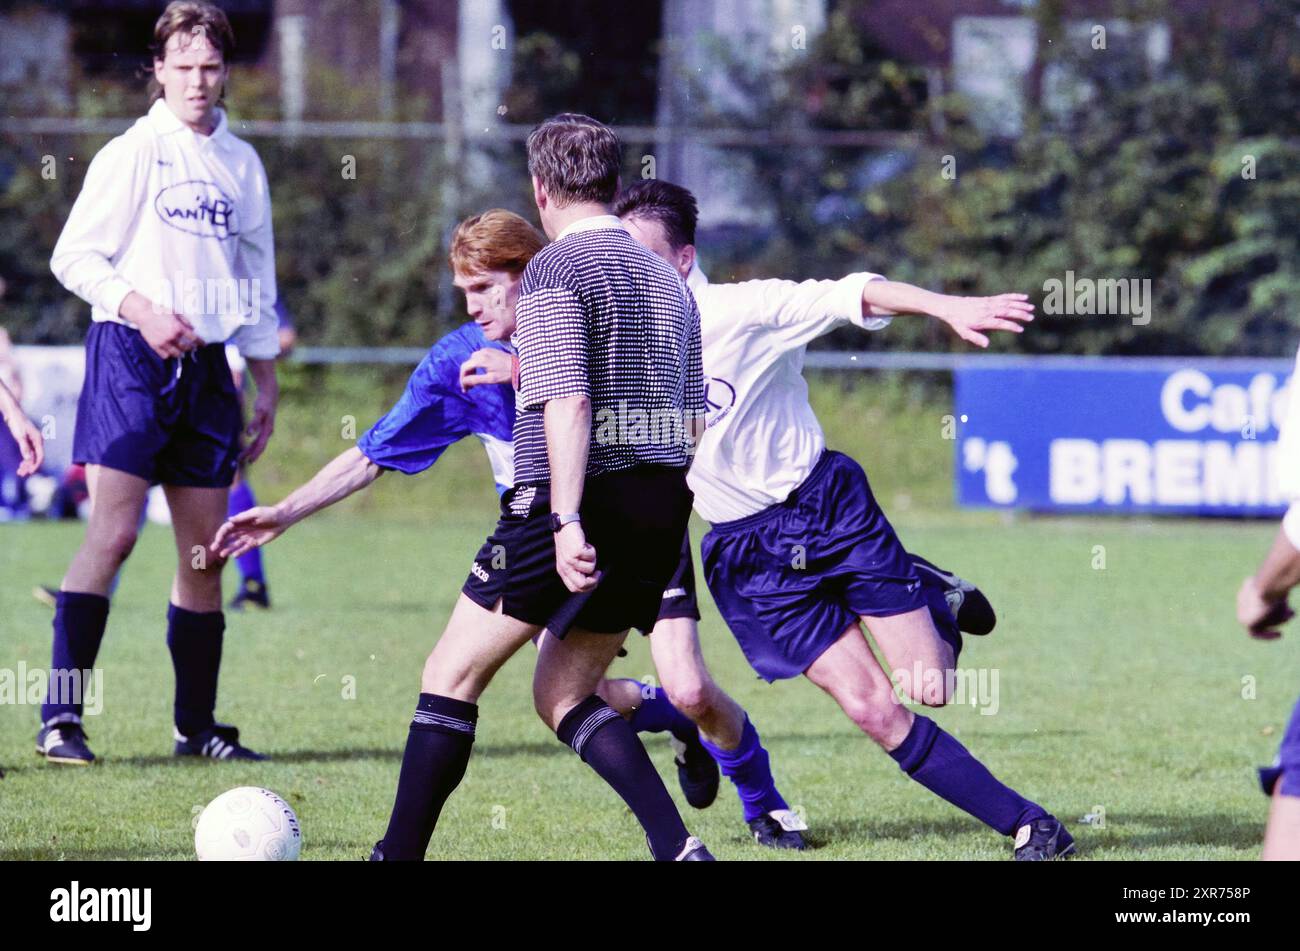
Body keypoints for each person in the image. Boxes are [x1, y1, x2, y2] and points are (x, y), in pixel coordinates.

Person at [605, 179, 1074, 859]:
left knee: (931, 686)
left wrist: (948, 306)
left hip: (826, 511)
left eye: (642, 258)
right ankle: (1033, 827)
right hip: (749, 554)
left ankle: (931, 593)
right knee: (873, 709)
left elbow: (853, 290)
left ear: (681, 260)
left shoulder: (743, 310)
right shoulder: (625, 337)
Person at [39, 1, 279, 766]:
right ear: (158, 69)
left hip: (208, 372)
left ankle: (196, 727)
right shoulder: (132, 151)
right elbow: (74, 258)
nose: (198, 81)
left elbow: (256, 277)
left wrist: (263, 374)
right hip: (130, 360)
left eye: (211, 67)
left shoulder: (243, 163)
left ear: (226, 72)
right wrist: (141, 309)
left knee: (205, 554)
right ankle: (61, 720)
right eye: (183, 66)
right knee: (111, 534)